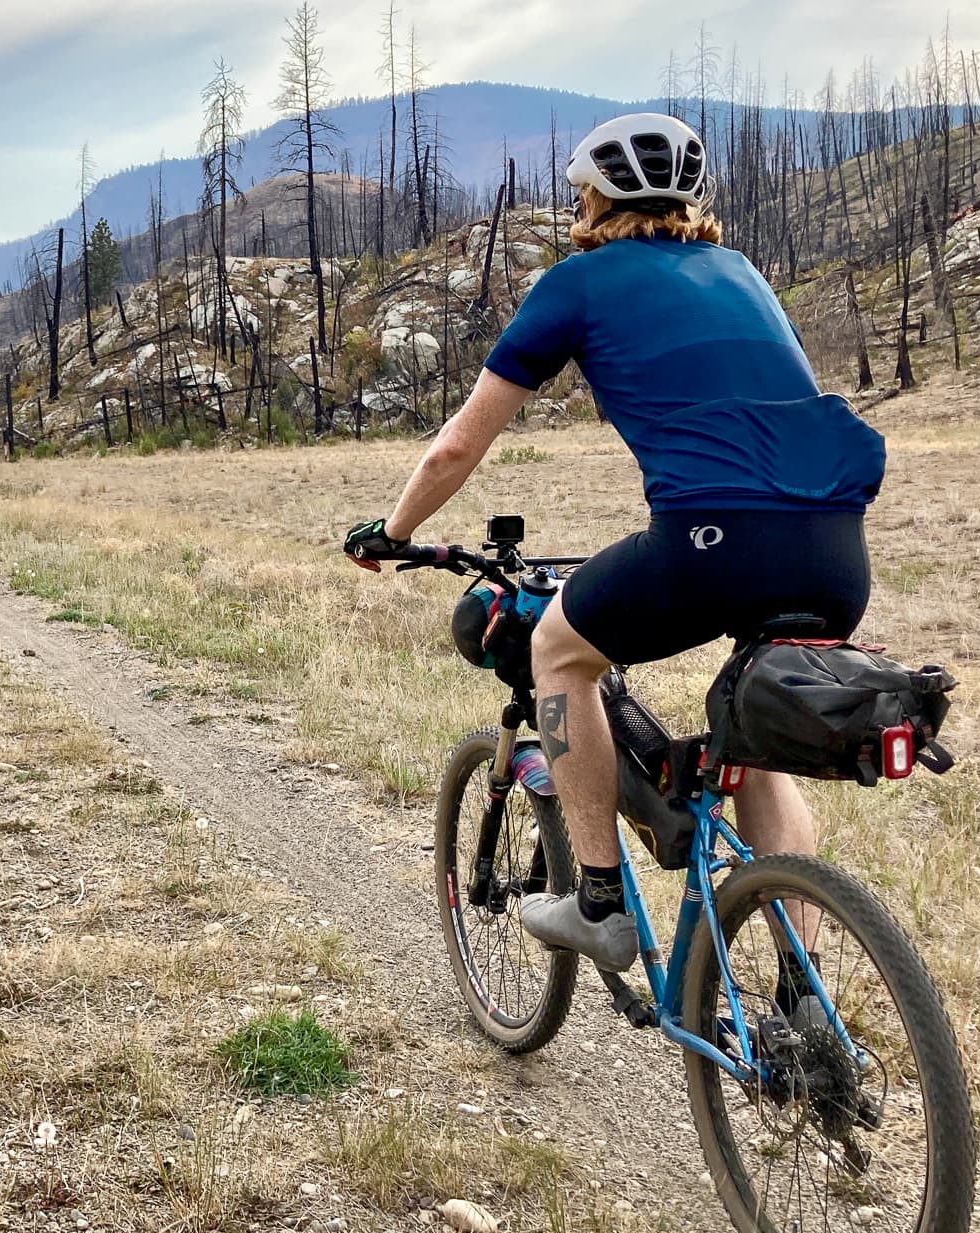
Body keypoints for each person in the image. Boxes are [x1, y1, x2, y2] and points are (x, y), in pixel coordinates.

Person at [345, 112, 885, 973]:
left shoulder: (578, 283)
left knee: (559, 651)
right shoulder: (741, 272)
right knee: (754, 727)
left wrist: (393, 532)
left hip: (710, 540)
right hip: (834, 547)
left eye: (579, 196)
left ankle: (598, 900)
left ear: (595, 200)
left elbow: (457, 446)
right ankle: (801, 996)